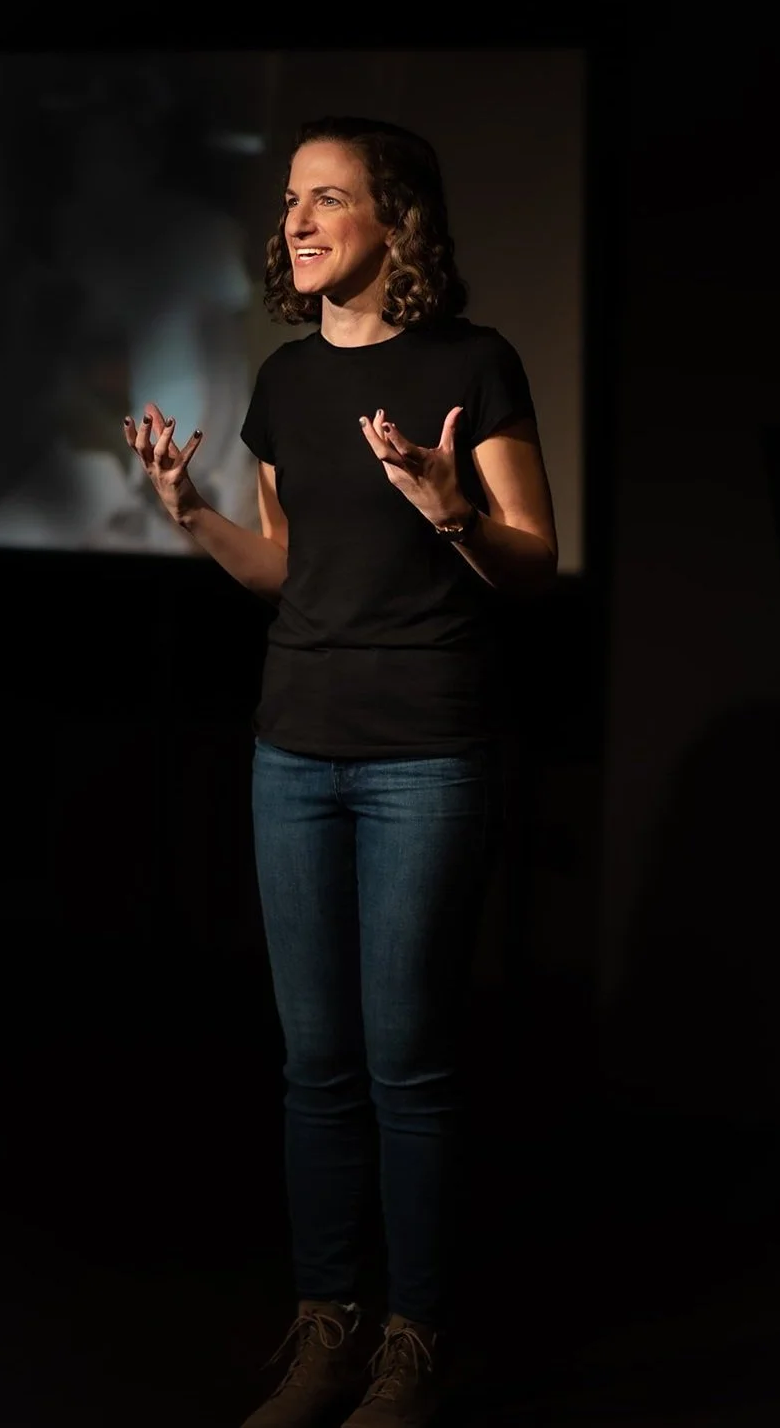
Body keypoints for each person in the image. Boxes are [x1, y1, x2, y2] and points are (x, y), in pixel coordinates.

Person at [124, 114, 557, 1427]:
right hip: (292, 751)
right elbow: (282, 571)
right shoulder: (284, 383)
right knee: (316, 1065)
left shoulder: (474, 364)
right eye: (292, 201)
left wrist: (449, 509)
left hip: (425, 750)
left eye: (329, 197)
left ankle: (412, 1343)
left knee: (405, 1062)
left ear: (396, 221)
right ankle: (327, 1327)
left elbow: (532, 561)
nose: (297, 220)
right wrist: (193, 516)